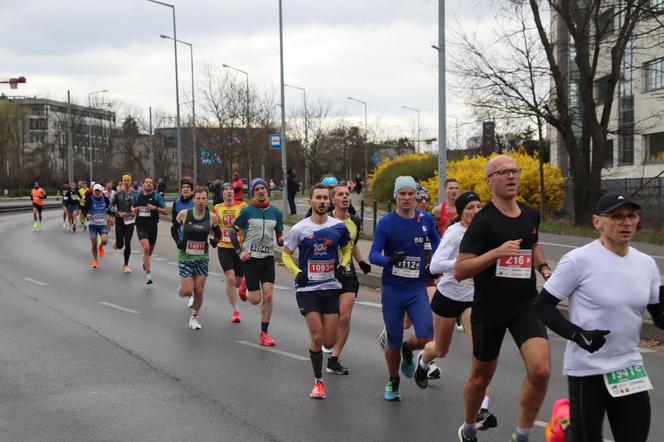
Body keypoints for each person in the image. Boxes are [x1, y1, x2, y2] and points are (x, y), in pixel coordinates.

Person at [534, 192, 663, 442]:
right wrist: (578, 334)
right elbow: (542, 306)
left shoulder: (646, 264)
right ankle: (565, 426)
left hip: (629, 368)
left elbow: (659, 319)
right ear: (597, 222)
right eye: (616, 216)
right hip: (587, 370)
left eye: (631, 216)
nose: (625, 222)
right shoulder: (578, 260)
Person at [454, 155, 552, 442]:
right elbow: (460, 270)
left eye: (514, 171)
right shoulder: (483, 222)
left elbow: (533, 245)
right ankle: (469, 427)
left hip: (525, 305)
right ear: (489, 181)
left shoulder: (531, 214)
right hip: (490, 308)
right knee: (481, 378)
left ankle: (521, 434)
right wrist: (496, 252)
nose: (511, 176)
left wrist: (543, 266)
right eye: (503, 172)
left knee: (541, 370)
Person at [413, 191, 498, 431]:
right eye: (470, 207)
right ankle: (423, 361)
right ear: (461, 212)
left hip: (475, 299)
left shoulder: (487, 232)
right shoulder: (454, 233)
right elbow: (436, 265)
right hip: (449, 295)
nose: (476, 211)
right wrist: (464, 264)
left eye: (479, 206)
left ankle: (482, 409)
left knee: (481, 353)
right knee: (440, 349)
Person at [369, 176, 440, 401]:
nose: (407, 198)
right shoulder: (387, 223)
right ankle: (393, 380)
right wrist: (389, 260)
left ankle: (409, 351)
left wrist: (436, 265)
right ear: (396, 197)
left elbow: (439, 245)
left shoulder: (425, 219)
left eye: (411, 194)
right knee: (393, 340)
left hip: (416, 286)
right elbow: (373, 255)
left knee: (426, 335)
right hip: (392, 290)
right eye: (403, 194)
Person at [282, 183, 352, 399]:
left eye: (325, 198)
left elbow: (346, 249)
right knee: (317, 335)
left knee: (329, 341)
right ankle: (318, 382)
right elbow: (285, 254)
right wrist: (297, 272)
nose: (322, 202)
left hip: (331, 288)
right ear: (310, 201)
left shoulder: (339, 227)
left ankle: (322, 354)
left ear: (329, 202)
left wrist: (343, 266)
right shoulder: (299, 229)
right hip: (307, 289)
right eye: (318, 198)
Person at [231, 178, 284, 346]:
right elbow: (232, 233)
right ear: (253, 193)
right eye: (257, 189)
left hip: (268, 259)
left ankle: (264, 333)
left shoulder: (276, 212)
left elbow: (279, 236)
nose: (260, 191)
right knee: (254, 300)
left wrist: (283, 240)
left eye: (263, 188)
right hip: (250, 259)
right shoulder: (247, 212)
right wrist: (239, 252)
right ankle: (244, 287)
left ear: (267, 191)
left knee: (268, 296)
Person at [327, 184, 372, 375]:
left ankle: (334, 358)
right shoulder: (325, 220)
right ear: (333, 200)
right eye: (340, 194)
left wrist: (361, 262)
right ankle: (327, 340)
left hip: (347, 274)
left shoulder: (355, 221)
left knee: (345, 317)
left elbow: (351, 245)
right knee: (329, 318)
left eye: (347, 194)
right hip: (325, 274)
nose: (345, 197)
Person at [174, 186, 222, 330]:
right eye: (198, 198)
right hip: (186, 256)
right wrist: (178, 241)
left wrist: (215, 241)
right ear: (194, 200)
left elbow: (218, 233)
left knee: (199, 290)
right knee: (187, 291)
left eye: (203, 198)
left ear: (207, 200)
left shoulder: (212, 217)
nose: (201, 201)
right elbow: (173, 229)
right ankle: (181, 288)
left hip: (202, 257)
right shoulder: (184, 214)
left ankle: (194, 318)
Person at [212, 182, 247, 323]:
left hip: (239, 247)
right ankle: (235, 311)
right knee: (230, 277)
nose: (228, 192)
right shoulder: (216, 208)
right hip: (224, 247)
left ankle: (241, 285)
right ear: (222, 194)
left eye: (231, 190)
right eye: (225, 190)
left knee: (238, 282)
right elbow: (212, 226)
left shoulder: (242, 206)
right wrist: (214, 238)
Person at [132, 177, 168, 284]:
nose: (148, 184)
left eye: (150, 183)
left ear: (153, 185)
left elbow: (166, 211)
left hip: (152, 227)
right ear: (143, 184)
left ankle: (145, 262)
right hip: (141, 226)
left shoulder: (157, 197)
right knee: (146, 249)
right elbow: (132, 207)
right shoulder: (138, 196)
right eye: (146, 182)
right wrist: (135, 209)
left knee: (149, 252)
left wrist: (155, 208)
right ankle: (148, 275)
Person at [171, 177, 195, 302]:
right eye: (183, 187)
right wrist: (177, 242)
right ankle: (188, 292)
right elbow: (174, 226)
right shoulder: (176, 203)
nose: (185, 189)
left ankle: (190, 292)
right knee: (186, 269)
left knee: (195, 269)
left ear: (192, 190)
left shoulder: (197, 201)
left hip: (197, 242)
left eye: (188, 187)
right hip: (183, 241)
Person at [110, 174, 137, 273]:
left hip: (130, 220)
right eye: (124, 180)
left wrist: (135, 211)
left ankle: (126, 265)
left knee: (128, 242)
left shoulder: (135, 194)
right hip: (120, 220)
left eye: (128, 180)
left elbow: (139, 205)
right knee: (120, 244)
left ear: (131, 182)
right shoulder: (118, 194)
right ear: (122, 181)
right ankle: (117, 243)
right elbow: (110, 207)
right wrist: (118, 213)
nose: (126, 182)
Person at [85, 184, 111, 268]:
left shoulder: (106, 200)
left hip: (102, 224)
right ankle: (95, 260)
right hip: (93, 224)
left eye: (98, 191)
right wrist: (87, 214)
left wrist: (111, 217)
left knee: (104, 241)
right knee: (93, 243)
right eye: (95, 191)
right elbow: (84, 210)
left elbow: (109, 210)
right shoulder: (89, 200)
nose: (96, 192)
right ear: (93, 191)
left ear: (101, 192)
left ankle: (100, 247)